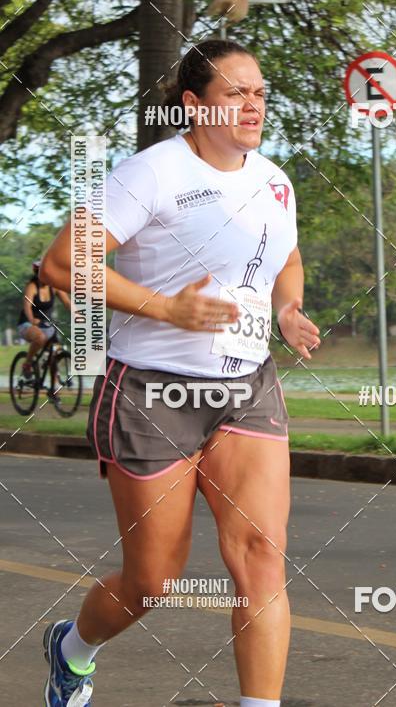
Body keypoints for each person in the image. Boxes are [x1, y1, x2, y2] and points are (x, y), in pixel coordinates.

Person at [39, 38, 321, 707]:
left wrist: (288, 309)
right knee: (154, 581)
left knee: (260, 557)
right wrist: (167, 308)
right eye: (234, 93)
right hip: (149, 392)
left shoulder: (274, 179)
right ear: (195, 106)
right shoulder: (152, 174)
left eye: (258, 93)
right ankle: (72, 649)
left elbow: (287, 257)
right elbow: (60, 264)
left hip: (247, 388)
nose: (252, 105)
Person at [17, 260, 72, 400]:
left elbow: (67, 303)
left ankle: (53, 390)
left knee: (55, 354)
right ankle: (27, 364)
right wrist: (32, 321)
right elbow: (27, 307)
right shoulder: (32, 286)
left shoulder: (55, 287)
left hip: (46, 324)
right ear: (38, 273)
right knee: (40, 338)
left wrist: (78, 316)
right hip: (27, 324)